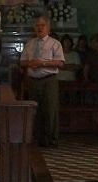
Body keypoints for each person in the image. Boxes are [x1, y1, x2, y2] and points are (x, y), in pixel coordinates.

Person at [20, 16, 65, 147]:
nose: (40, 28)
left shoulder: (54, 43)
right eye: (37, 25)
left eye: (42, 25)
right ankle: (38, 138)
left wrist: (43, 63)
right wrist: (30, 63)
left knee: (50, 109)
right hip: (33, 80)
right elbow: (22, 62)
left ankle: (52, 139)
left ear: (48, 28)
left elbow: (60, 63)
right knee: (35, 111)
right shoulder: (30, 43)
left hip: (48, 80)